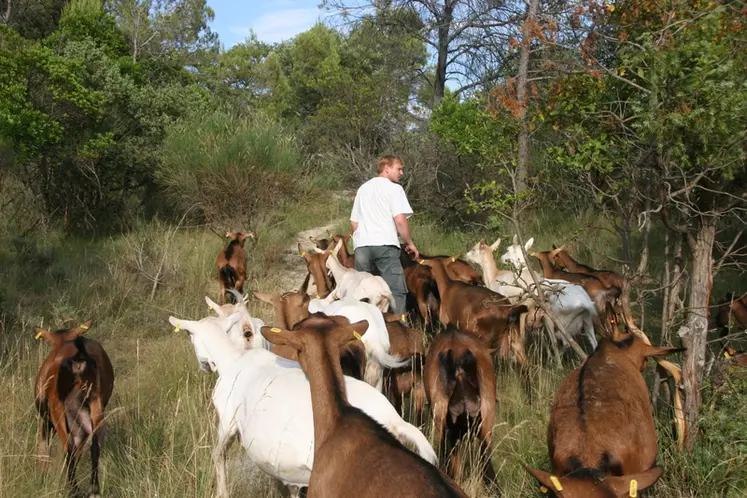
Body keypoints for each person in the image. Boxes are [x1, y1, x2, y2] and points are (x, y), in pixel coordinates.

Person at [350, 155, 419, 315]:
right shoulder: (394, 189)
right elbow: (400, 221)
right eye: (399, 168)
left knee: (364, 292)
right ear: (386, 168)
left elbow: (354, 223)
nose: (401, 173)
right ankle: (399, 328)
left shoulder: (363, 188)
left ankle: (365, 327)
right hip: (385, 246)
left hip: (362, 248)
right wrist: (410, 243)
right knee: (396, 291)